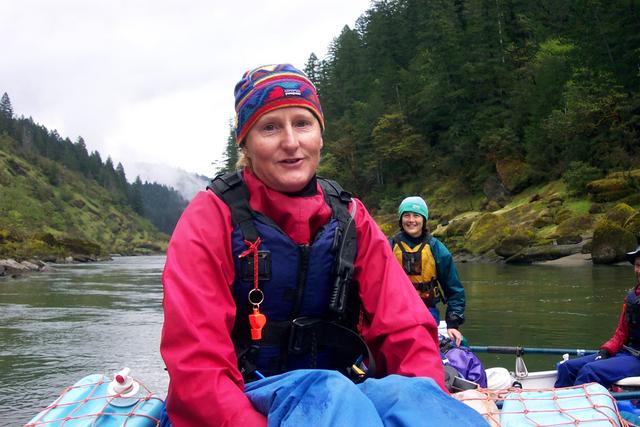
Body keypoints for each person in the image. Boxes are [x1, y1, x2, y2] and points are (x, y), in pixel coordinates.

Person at [159, 64, 487, 426]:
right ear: (246, 144)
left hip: (344, 396)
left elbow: (405, 327)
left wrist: (425, 396)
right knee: (327, 392)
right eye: (270, 127)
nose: (291, 142)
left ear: (319, 134)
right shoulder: (210, 217)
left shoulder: (350, 216)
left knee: (416, 397)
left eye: (302, 123)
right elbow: (197, 366)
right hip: (246, 400)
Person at [555, 245, 640, 388]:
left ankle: (575, 409)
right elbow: (621, 333)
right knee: (567, 367)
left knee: (590, 371)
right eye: (637, 265)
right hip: (625, 353)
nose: (639, 270)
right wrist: (605, 351)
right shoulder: (632, 297)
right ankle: (556, 407)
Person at [390, 196, 466, 346]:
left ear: (423, 219)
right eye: (406, 215)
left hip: (426, 312)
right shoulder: (389, 246)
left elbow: (454, 290)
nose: (411, 220)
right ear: (401, 219)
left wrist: (453, 324)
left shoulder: (436, 249)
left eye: (416, 215)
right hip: (396, 312)